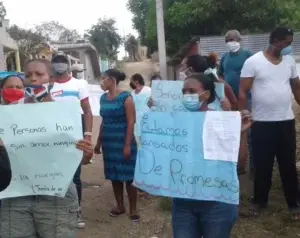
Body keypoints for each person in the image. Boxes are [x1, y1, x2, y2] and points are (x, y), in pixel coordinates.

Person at [0, 59, 94, 238]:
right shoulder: (7, 114)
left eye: (39, 74)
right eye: (28, 75)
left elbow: (81, 159)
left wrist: (86, 153)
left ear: (51, 80)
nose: (32, 79)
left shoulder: (67, 114)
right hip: (16, 196)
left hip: (56, 197)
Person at [172, 72, 251, 238]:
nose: (187, 95)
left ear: (206, 94)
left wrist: (241, 133)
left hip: (217, 203)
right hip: (183, 202)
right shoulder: (174, 122)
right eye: (184, 91)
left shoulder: (221, 121)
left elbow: (240, 163)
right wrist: (154, 113)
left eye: (192, 91)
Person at [239, 27, 300, 219]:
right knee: (263, 164)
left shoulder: (290, 62)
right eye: (285, 42)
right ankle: (259, 202)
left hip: (286, 121)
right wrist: (245, 113)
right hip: (262, 123)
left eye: (290, 43)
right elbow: (242, 91)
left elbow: (296, 88)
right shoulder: (253, 62)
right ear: (274, 40)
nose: (287, 46)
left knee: (288, 164)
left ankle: (294, 203)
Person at [50, 52, 93, 228]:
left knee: (74, 177)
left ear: (67, 64)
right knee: (53, 175)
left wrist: (88, 134)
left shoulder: (79, 85)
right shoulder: (47, 85)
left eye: (62, 61)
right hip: (51, 139)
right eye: (56, 62)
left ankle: (76, 211)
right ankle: (55, 212)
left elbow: (87, 111)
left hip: (74, 138)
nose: (59, 65)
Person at [94, 69, 140, 222]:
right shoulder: (103, 98)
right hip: (109, 142)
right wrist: (98, 142)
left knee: (129, 176)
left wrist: (127, 145)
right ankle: (120, 206)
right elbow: (103, 121)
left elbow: (131, 121)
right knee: (114, 175)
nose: (101, 81)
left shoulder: (126, 98)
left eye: (103, 78)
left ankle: (133, 208)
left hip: (123, 140)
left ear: (112, 80)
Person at [218, 30, 253, 174]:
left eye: (232, 39)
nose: (230, 42)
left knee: (247, 131)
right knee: (231, 131)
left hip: (246, 98)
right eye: (227, 40)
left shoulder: (248, 55)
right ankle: (234, 163)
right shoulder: (225, 57)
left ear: (239, 40)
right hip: (229, 100)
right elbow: (219, 74)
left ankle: (249, 165)